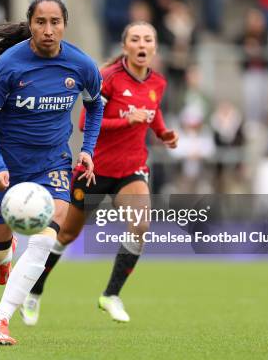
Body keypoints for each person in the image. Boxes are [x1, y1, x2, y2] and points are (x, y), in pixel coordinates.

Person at [19, 21, 178, 325]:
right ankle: (34, 291)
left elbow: (152, 112)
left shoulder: (158, 83)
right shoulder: (108, 79)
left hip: (131, 170)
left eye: (148, 39)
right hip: (94, 169)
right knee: (65, 234)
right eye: (135, 39)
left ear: (154, 48)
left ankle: (111, 295)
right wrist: (126, 120)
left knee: (140, 226)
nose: (142, 44)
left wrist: (163, 133)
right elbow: (85, 123)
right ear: (125, 46)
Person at [0, 0, 103, 345]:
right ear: (30, 24)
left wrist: (88, 150)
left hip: (53, 163)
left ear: (65, 25)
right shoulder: (8, 65)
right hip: (8, 167)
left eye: (55, 22)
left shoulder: (82, 65)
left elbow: (95, 107)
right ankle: (3, 257)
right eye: (40, 22)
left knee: (46, 240)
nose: (48, 30)